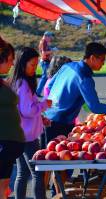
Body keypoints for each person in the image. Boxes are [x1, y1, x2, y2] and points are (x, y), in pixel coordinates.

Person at [45, 42, 106, 142]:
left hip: (48, 117)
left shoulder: (68, 66)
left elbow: (50, 85)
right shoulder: (84, 78)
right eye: (102, 60)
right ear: (92, 58)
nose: (103, 64)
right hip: (60, 123)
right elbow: (95, 107)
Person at [10, 47, 51, 199]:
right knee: (37, 173)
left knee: (23, 173)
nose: (35, 68)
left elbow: (24, 110)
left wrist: (40, 118)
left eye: (36, 64)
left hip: (20, 135)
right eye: (32, 65)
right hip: (27, 138)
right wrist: (44, 104)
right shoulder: (23, 85)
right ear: (22, 64)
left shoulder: (18, 82)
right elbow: (28, 110)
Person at [0, 37, 25, 199]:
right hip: (3, 145)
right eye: (9, 60)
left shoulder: (3, 83)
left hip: (9, 146)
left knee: (3, 191)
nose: (12, 64)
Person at [36, 31, 54, 96]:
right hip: (44, 61)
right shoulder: (43, 42)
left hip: (45, 61)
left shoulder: (45, 42)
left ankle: (39, 92)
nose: (50, 38)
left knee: (46, 77)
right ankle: (38, 92)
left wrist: (51, 49)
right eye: (50, 37)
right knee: (45, 77)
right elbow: (44, 53)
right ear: (46, 36)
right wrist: (52, 50)